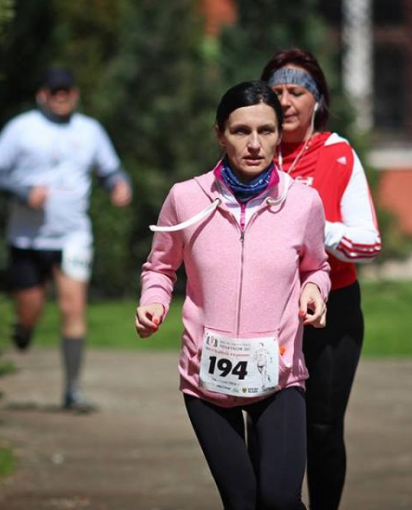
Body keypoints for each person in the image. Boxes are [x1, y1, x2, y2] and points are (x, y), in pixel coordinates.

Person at [136, 81, 330, 510]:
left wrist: (315, 292)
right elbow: (160, 267)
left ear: (281, 134)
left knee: (279, 500)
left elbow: (316, 266)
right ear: (220, 134)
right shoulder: (186, 199)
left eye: (266, 130)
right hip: (207, 381)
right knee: (241, 504)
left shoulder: (303, 203)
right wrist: (153, 301)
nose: (255, 144)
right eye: (241, 131)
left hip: (278, 377)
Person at [261, 49, 381, 510]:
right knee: (265, 426)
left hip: (333, 315)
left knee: (323, 428)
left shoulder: (338, 153)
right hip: (264, 314)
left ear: (318, 101)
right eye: (276, 92)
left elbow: (368, 243)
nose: (286, 101)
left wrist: (311, 224)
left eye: (297, 92)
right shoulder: (250, 151)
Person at [0, 67, 132, 412]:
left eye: (66, 90)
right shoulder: (21, 128)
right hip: (27, 238)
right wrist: (23, 192)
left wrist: (119, 185)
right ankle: (24, 330)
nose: (61, 96)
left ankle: (72, 389)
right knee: (30, 309)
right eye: (54, 91)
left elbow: (110, 169)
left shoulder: (90, 130)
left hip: (73, 237)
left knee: (73, 307)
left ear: (75, 94)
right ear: (42, 94)